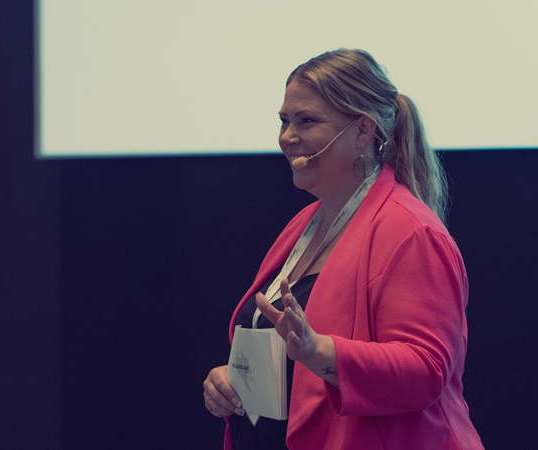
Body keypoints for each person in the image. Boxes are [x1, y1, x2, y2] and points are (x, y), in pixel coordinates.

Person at [203, 48, 483, 450]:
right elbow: (290, 360)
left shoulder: (412, 231)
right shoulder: (305, 224)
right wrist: (235, 382)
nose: (287, 137)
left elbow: (426, 372)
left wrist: (318, 350)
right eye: (284, 120)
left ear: (363, 130)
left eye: (307, 121)